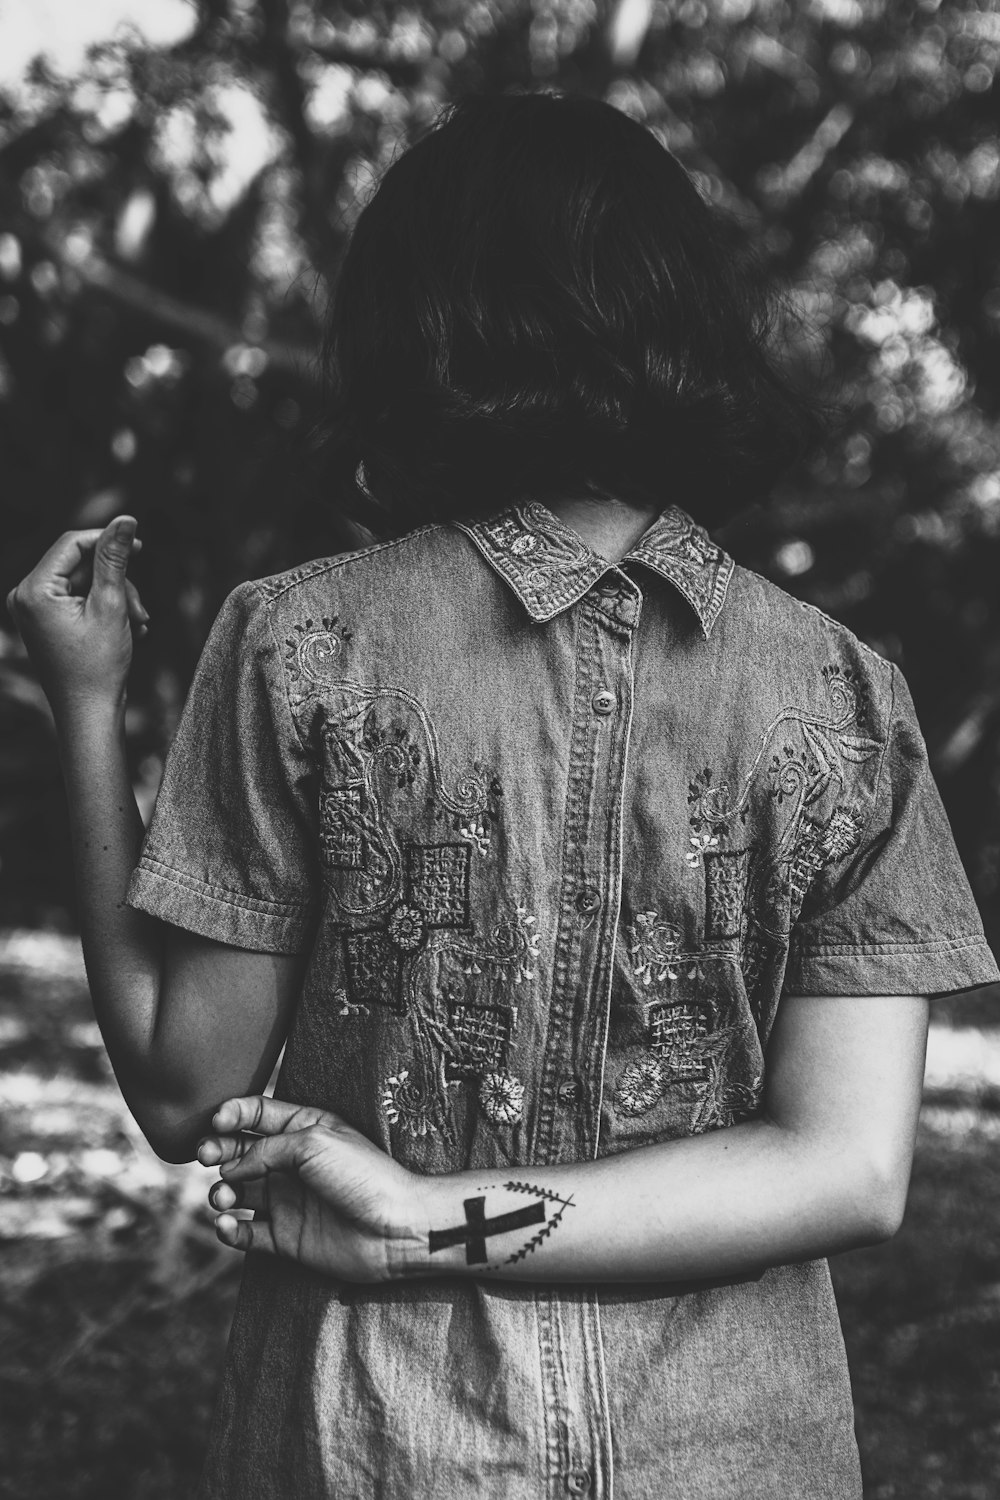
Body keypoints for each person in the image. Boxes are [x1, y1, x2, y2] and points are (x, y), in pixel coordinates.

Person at [8, 93, 997, 1500]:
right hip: (735, 1445)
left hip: (378, 1433)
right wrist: (427, 1219)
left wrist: (88, 704)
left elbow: (185, 1091)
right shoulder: (846, 697)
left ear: (412, 331)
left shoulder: (300, 640)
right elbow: (849, 1170)